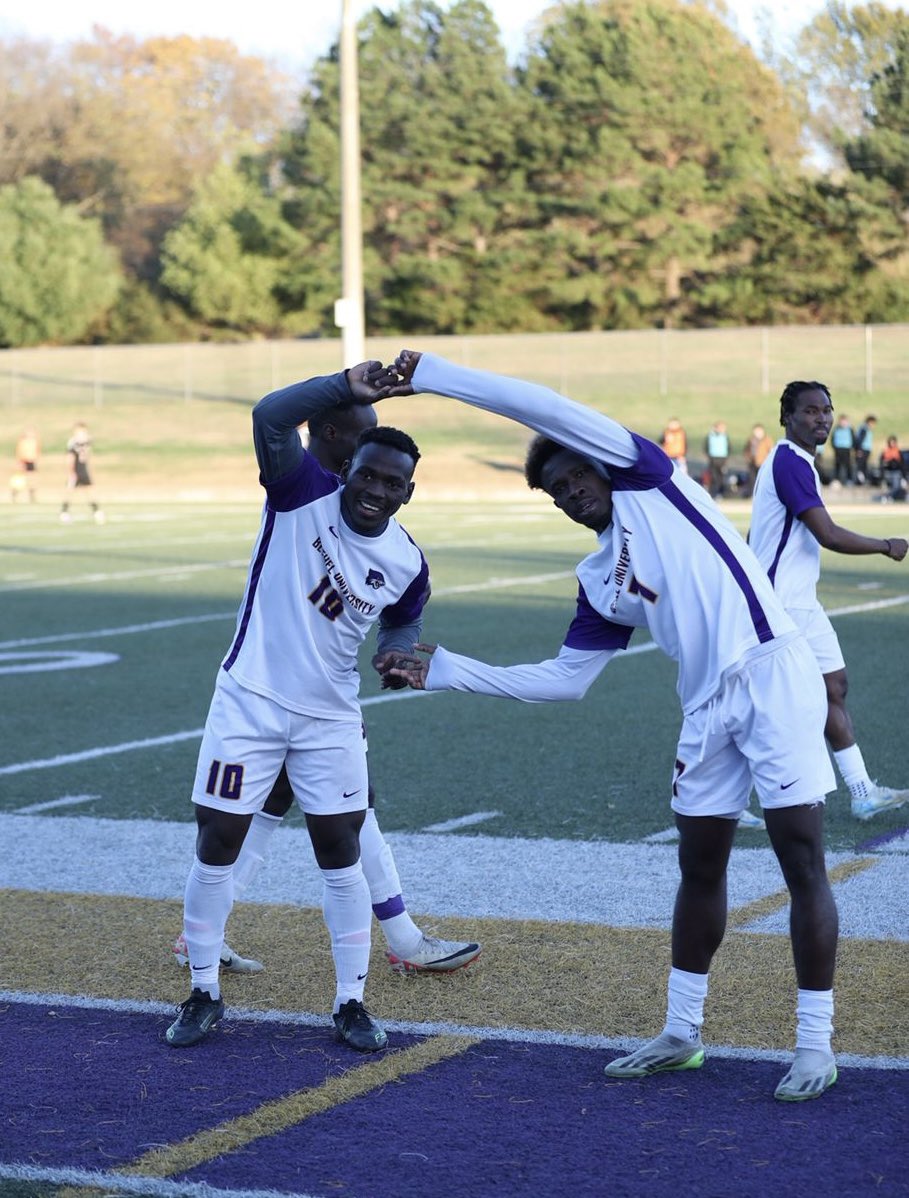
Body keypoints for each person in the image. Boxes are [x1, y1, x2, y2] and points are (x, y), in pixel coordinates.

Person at [380, 349, 840, 1103]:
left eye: (574, 476)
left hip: (772, 675)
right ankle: (681, 1034)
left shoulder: (648, 480)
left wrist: (427, 374)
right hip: (704, 709)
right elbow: (566, 681)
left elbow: (540, 405)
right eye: (556, 490)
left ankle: (814, 1044)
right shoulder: (599, 578)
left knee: (800, 857)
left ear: (599, 465)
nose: (569, 492)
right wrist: (446, 668)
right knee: (699, 865)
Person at [166, 361, 434, 1055]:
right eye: (367, 473)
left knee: (339, 852)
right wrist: (347, 383)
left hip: (328, 717)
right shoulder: (296, 494)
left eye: (391, 483)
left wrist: (397, 654)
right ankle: (201, 990)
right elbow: (269, 415)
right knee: (217, 840)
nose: (374, 489)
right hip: (248, 701)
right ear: (348, 466)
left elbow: (403, 619)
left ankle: (350, 1002)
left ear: (407, 494)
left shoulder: (407, 559)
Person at [748, 382, 908, 821]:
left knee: (833, 687)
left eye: (826, 411)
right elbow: (828, 533)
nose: (821, 418)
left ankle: (862, 793)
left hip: (800, 601)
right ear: (787, 417)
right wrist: (884, 545)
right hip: (780, 604)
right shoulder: (789, 463)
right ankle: (722, 795)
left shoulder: (797, 462)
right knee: (761, 700)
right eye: (810, 411)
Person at [60, 421, 104, 524]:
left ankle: (96, 511)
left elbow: (87, 454)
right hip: (75, 470)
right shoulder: (72, 443)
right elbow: (69, 457)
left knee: (89, 490)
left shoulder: (87, 442)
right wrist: (71, 471)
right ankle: (64, 512)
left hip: (83, 469)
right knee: (70, 491)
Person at [742, 423, 772, 499]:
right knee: (752, 479)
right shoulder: (751, 439)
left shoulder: (767, 440)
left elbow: (771, 450)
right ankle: (753, 494)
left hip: (763, 463)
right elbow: (746, 450)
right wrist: (747, 457)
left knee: (763, 480)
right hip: (752, 462)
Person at [877, 435, 907, 503]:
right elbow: (881, 463)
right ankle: (887, 496)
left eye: (893, 442)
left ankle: (888, 496)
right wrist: (882, 475)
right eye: (891, 442)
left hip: (896, 472)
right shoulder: (885, 451)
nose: (892, 444)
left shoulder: (898, 452)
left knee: (896, 486)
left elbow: (902, 464)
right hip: (887, 472)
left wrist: (904, 477)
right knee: (886, 487)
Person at [704, 420, 729, 498]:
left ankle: (720, 493)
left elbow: (728, 448)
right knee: (713, 476)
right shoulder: (710, 436)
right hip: (713, 459)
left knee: (721, 476)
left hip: (722, 459)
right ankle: (712, 493)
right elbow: (706, 447)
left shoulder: (725, 436)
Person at [13, 428, 40, 502]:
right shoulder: (22, 442)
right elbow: (19, 453)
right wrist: (20, 463)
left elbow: (37, 452)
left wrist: (36, 461)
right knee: (20, 479)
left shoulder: (34, 442)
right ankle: (15, 493)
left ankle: (32, 496)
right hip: (23, 461)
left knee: (32, 480)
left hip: (31, 462)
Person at [830, 414, 854, 486]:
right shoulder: (836, 429)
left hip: (846, 449)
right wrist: (834, 447)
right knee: (837, 465)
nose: (843, 423)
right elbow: (832, 439)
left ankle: (849, 480)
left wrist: (853, 447)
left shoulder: (850, 429)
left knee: (848, 464)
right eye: (841, 421)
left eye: (844, 421)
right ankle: (836, 480)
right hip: (838, 449)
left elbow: (853, 439)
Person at [853, 415, 877, 486]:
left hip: (866, 449)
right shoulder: (864, 429)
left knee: (864, 465)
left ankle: (863, 480)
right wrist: (859, 450)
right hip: (863, 450)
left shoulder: (867, 429)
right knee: (861, 466)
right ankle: (860, 481)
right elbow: (859, 440)